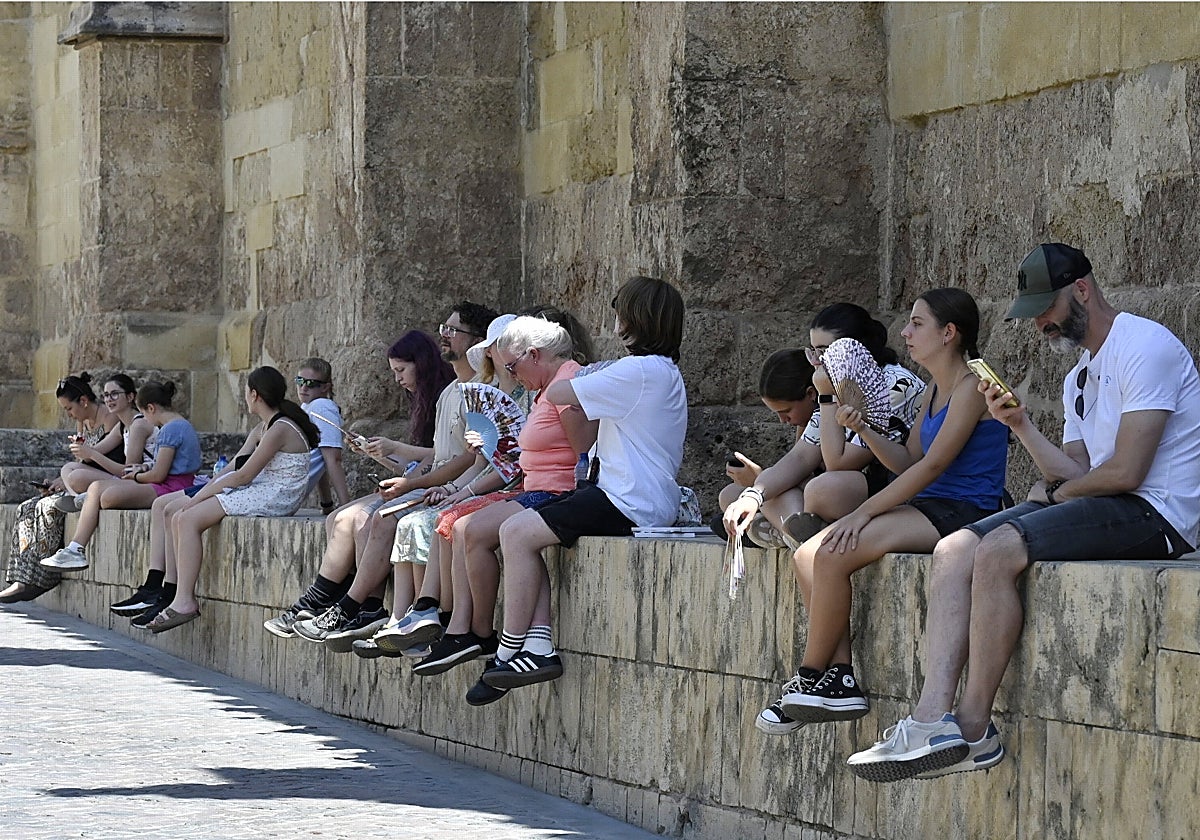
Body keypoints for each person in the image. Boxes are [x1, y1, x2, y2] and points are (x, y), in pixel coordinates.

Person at [847, 244, 1200, 782]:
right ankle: (928, 722)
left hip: (1158, 515)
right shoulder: (1077, 377)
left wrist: (1054, 496)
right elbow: (1070, 468)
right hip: (1103, 503)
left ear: (1080, 289)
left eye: (1046, 309)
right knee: (954, 546)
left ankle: (971, 727)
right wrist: (1021, 428)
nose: (1040, 323)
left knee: (999, 547)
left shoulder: (1145, 345)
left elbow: (1127, 473)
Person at [756, 288, 1007, 738]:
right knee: (809, 554)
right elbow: (908, 460)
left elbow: (933, 467)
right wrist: (865, 431)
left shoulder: (970, 385)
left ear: (949, 333)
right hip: (927, 504)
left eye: (917, 324)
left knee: (832, 551)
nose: (905, 333)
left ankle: (815, 677)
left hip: (964, 509)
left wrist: (863, 513)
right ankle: (837, 678)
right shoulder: (933, 387)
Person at [476, 276, 687, 700]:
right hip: (628, 495)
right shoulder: (658, 371)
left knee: (516, 533)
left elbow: (557, 388)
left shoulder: (638, 371)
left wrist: (588, 377)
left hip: (627, 500)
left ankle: (509, 649)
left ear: (630, 321)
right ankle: (537, 647)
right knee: (526, 533)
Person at [374, 315, 599, 689]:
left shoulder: (566, 382)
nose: (510, 372)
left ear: (535, 355)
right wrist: (469, 485)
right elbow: (515, 458)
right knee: (458, 523)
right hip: (535, 487)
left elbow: (582, 449)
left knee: (475, 530)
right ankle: (465, 628)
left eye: (512, 365)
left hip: (554, 491)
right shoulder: (546, 387)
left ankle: (483, 635)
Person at [292, 303, 495, 649]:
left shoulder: (480, 392)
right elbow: (441, 457)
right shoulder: (449, 393)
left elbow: (472, 458)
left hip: (456, 488)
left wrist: (422, 484)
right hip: (440, 485)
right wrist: (391, 460)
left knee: (385, 520)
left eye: (452, 331)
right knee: (370, 519)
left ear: (477, 341)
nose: (443, 335)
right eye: (442, 328)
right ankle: (384, 613)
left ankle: (357, 608)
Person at [261, 329, 454, 639]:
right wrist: (378, 453)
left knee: (363, 518)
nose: (397, 380)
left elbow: (446, 456)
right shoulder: (423, 399)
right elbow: (415, 465)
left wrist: (396, 448)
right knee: (339, 518)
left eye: (401, 370)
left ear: (421, 363)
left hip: (440, 484)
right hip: (419, 478)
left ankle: (341, 604)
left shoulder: (447, 395)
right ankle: (357, 606)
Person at [722, 304, 925, 549]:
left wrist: (827, 397)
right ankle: (797, 533)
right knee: (737, 495)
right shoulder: (835, 382)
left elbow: (837, 464)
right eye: (813, 352)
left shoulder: (892, 385)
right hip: (841, 489)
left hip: (888, 489)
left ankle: (787, 531)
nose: (817, 362)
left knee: (821, 489)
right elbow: (800, 457)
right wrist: (754, 496)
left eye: (824, 351)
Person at [141, 367, 322, 632]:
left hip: (277, 495)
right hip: (263, 488)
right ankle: (174, 592)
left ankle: (184, 601)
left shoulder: (281, 427)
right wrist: (204, 489)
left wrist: (202, 495)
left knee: (188, 518)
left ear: (254, 394)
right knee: (177, 512)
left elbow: (243, 476)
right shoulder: (264, 427)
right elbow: (235, 465)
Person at [40, 381, 201, 573]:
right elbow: (158, 466)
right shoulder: (172, 426)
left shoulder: (163, 428)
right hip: (162, 482)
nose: (109, 400)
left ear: (149, 408)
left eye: (114, 394)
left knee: (104, 495)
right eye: (106, 395)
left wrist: (138, 475)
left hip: (169, 486)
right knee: (90, 484)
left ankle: (79, 532)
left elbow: (157, 474)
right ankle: (75, 548)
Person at [1, 374, 125, 602]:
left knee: (47, 507)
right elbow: (81, 463)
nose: (69, 414)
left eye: (69, 408)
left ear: (84, 401)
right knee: (26, 508)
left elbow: (94, 458)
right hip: (83, 478)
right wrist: (58, 482)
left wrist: (73, 469)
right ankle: (22, 579)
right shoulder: (83, 422)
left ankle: (42, 579)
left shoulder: (110, 419)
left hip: (105, 478)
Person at [294, 357, 351, 512]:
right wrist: (327, 504)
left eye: (311, 383)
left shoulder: (322, 408)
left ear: (325, 387)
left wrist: (346, 507)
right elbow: (321, 460)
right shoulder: (308, 406)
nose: (303, 388)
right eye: (300, 381)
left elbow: (333, 459)